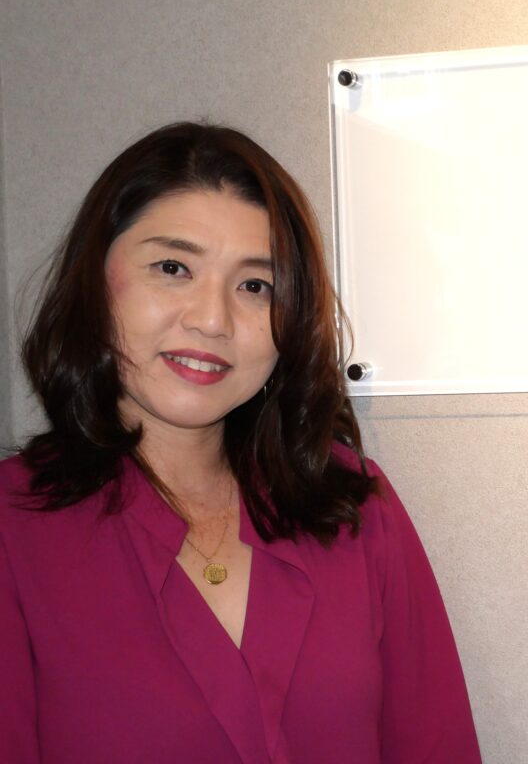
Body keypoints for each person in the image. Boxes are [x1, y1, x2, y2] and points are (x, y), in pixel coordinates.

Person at [0, 122, 482, 763]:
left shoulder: (353, 509)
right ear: (94, 280)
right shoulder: (15, 527)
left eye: (255, 285)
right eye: (173, 268)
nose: (212, 320)